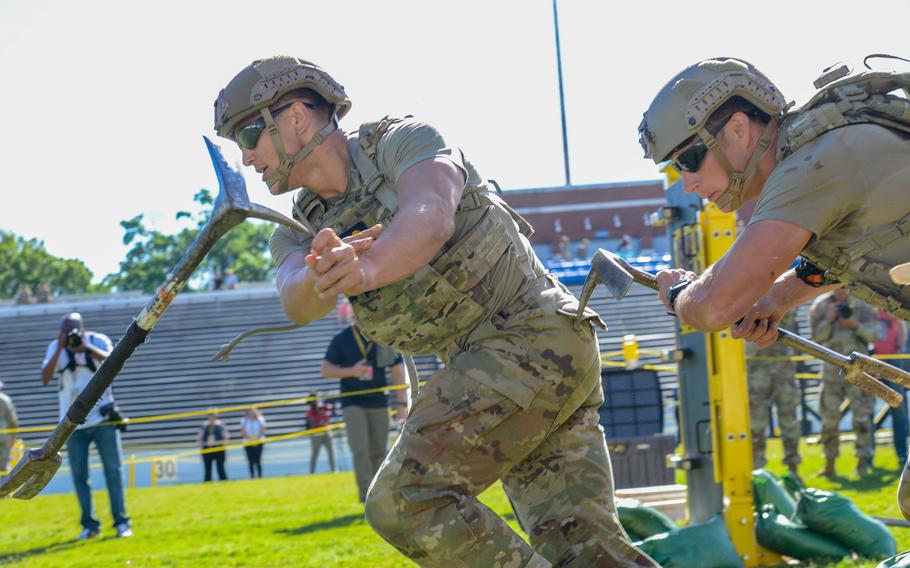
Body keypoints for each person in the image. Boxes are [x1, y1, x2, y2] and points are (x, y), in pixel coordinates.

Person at [214, 56, 654, 566]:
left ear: (293, 117)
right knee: (588, 552)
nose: (246, 158)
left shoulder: (405, 142)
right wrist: (321, 273)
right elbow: (294, 296)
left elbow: (431, 212)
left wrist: (367, 268)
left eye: (248, 136)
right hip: (515, 364)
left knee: (404, 500)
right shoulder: (296, 230)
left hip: (532, 337)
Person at [636, 57, 910, 346]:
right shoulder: (822, 151)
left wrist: (677, 292)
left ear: (738, 130)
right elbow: (854, 250)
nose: (689, 184)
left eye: (689, 161)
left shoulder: (810, 168)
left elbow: (713, 307)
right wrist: (776, 297)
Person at [40, 313, 131, 539]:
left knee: (114, 471)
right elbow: (44, 377)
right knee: (80, 476)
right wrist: (62, 346)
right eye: (65, 331)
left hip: (103, 419)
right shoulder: (56, 346)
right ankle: (89, 525)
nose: (70, 335)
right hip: (72, 424)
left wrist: (86, 348)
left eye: (73, 330)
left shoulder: (97, 340)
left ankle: (121, 522)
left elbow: (115, 361)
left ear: (82, 329)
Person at [322, 319, 407, 502]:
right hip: (352, 402)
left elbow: (397, 372)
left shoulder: (382, 335)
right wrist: (352, 371)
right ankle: (365, 495)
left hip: (379, 402)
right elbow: (326, 370)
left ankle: (380, 494)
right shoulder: (342, 338)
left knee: (379, 450)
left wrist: (402, 405)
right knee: (360, 450)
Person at [809, 290, 880, 477]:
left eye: (843, 286)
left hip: (858, 371)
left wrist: (855, 325)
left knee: (862, 418)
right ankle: (829, 463)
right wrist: (829, 320)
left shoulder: (863, 303)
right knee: (829, 419)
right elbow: (816, 338)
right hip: (831, 371)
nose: (840, 290)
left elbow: (875, 334)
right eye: (836, 286)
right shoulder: (821, 305)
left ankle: (862, 464)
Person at [746, 310, 801, 475]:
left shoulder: (783, 295)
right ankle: (757, 470)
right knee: (756, 423)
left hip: (783, 368)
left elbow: (789, 316)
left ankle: (793, 468)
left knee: (789, 420)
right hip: (756, 369)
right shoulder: (747, 295)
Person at [875, 310, 909, 468]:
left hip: (895, 359)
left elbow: (902, 328)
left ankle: (902, 454)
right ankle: (867, 459)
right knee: (865, 410)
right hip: (872, 358)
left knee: (899, 407)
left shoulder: (893, 305)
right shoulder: (866, 308)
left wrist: (900, 347)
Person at [304, 391, 335, 474]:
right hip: (316, 433)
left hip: (326, 431)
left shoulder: (323, 408)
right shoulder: (310, 411)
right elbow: (311, 423)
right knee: (315, 453)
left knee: (331, 452)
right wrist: (319, 423)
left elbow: (329, 411)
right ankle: (312, 472)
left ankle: (334, 470)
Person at [197, 411, 229, 482]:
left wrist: (225, 448)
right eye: (210, 415)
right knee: (207, 468)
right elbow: (200, 438)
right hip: (207, 448)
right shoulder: (204, 426)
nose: (212, 417)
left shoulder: (220, 425)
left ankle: (223, 481)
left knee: (220, 467)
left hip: (218, 448)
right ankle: (207, 482)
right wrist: (201, 448)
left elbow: (225, 437)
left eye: (213, 415)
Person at [240, 407, 267, 478]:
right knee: (250, 461)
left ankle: (260, 476)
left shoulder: (260, 419)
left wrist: (256, 440)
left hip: (258, 442)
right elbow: (243, 432)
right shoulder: (244, 420)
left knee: (258, 460)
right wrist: (250, 440)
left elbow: (262, 430)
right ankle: (252, 476)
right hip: (248, 442)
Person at [0, 380, 17, 473]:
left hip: (4, 434)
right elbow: (12, 420)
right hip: (3, 434)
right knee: (4, 465)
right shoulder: (5, 400)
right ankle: (5, 486)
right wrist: (12, 436)